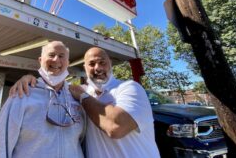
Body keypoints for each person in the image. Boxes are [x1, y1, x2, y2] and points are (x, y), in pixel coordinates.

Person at [11, 47, 160, 158]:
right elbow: (54, 85)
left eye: (102, 62)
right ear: (85, 68)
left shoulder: (129, 88)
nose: (98, 68)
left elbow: (116, 127)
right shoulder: (80, 91)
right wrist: (30, 80)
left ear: (110, 64)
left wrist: (83, 97)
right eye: (92, 63)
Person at [0, 41, 85, 158]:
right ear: (40, 60)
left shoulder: (77, 96)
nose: (56, 60)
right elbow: (0, 144)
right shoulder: (22, 93)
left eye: (61, 56)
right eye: (51, 55)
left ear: (68, 63)